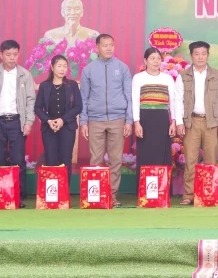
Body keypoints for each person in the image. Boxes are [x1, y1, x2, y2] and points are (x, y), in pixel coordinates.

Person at [0, 40, 36, 208]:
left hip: (17, 122)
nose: (12, 58)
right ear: (1, 55)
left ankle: (18, 197)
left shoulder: (25, 74)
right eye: (8, 54)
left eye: (15, 54)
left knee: (17, 160)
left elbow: (30, 100)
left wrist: (28, 121)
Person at [80, 34, 133, 208]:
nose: (109, 48)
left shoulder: (122, 68)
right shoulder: (88, 70)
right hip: (95, 120)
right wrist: (83, 121)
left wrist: (129, 120)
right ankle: (95, 195)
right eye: (105, 45)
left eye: (111, 45)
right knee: (95, 160)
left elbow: (129, 96)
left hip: (118, 119)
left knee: (115, 160)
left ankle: (112, 195)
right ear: (97, 48)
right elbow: (84, 98)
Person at [175, 41, 218, 206]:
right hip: (191, 121)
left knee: (211, 160)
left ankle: (209, 194)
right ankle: (189, 195)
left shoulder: (217, 75)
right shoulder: (183, 76)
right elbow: (178, 100)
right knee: (190, 160)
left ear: (208, 55)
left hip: (211, 122)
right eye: (196, 54)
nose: (200, 57)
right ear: (191, 56)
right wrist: (179, 122)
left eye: (203, 54)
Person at [34, 55, 82, 185]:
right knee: (51, 161)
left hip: (67, 128)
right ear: (52, 67)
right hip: (49, 128)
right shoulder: (44, 86)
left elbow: (78, 107)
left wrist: (62, 120)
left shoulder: (72, 85)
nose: (62, 69)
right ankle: (53, 193)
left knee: (65, 161)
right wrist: (48, 120)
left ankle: (64, 192)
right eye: (59, 66)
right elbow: (37, 108)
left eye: (65, 66)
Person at [132, 47, 178, 173]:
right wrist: (137, 123)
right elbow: (135, 102)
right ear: (145, 61)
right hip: (145, 119)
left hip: (162, 119)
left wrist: (173, 122)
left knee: (161, 152)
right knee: (145, 153)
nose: (156, 61)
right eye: (152, 58)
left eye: (158, 58)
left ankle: (162, 184)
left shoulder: (167, 78)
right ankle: (145, 183)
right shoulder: (138, 78)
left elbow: (173, 101)